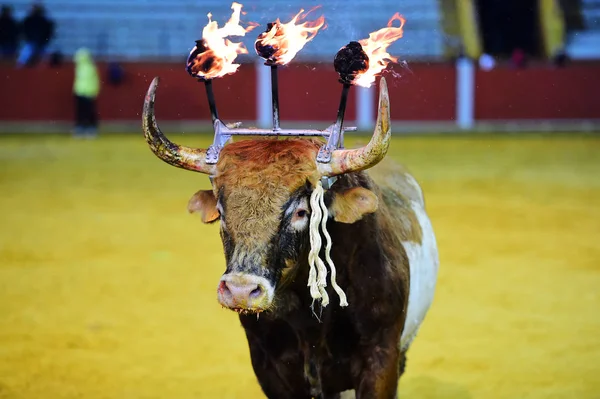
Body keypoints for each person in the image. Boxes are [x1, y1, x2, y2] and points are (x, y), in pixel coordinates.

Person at [73, 47, 100, 137]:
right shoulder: (81, 67)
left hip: (87, 92)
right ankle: (81, 127)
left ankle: (91, 128)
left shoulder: (89, 67)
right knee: (81, 112)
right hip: (81, 92)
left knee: (89, 112)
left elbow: (95, 80)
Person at [17, 2, 54, 67]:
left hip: (41, 42)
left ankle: (45, 68)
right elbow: (23, 30)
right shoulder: (29, 20)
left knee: (44, 56)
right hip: (32, 41)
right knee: (26, 54)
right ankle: (20, 67)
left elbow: (49, 31)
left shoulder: (44, 20)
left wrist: (45, 40)